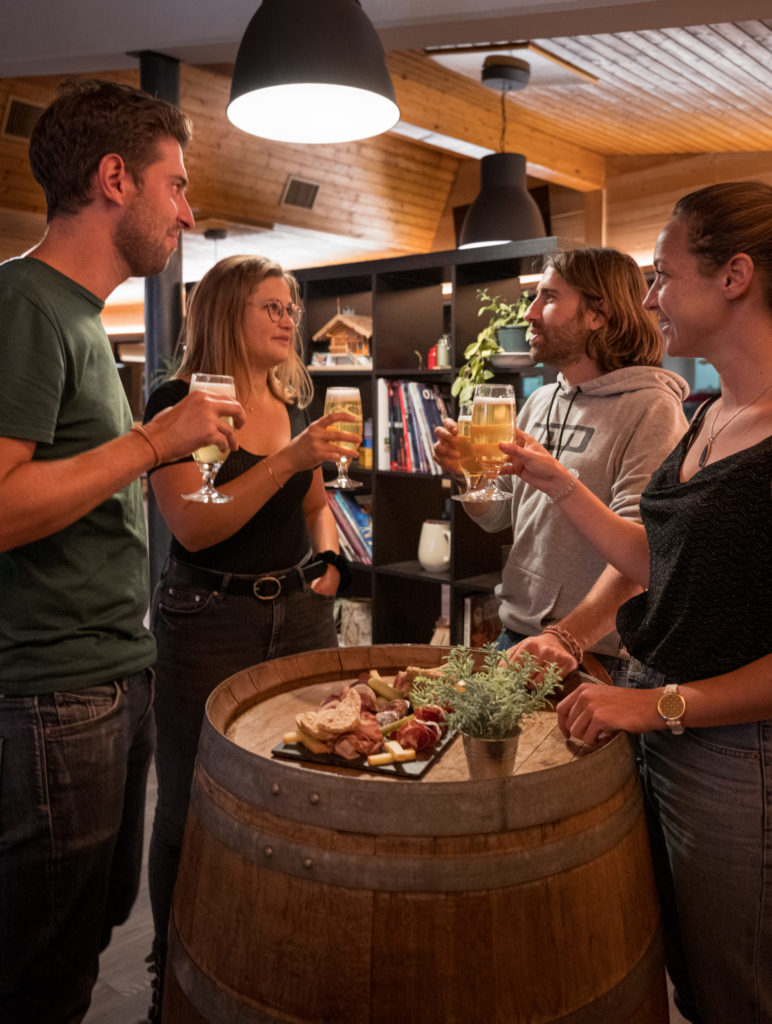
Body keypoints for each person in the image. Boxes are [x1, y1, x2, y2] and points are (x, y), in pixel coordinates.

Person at [0, 80, 246, 1024]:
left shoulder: (77, 317)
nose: (186, 211)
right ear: (115, 179)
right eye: (174, 185)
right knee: (43, 974)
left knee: (84, 934)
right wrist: (154, 442)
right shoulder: (25, 304)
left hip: (104, 678)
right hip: (52, 694)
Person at [502, 182, 772, 1023]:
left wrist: (656, 705)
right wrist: (556, 482)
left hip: (736, 754)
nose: (649, 299)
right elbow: (657, 559)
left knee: (737, 991)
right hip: (660, 725)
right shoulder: (711, 414)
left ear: (734, 276)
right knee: (685, 971)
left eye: (662, 276)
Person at [142, 253, 357, 1012]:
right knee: (190, 802)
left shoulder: (287, 400)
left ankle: (270, 958)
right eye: (271, 306)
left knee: (297, 791)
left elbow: (315, 505)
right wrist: (288, 459)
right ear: (225, 313)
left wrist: (330, 556)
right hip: (208, 619)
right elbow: (194, 528)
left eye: (291, 306)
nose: (288, 318)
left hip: (300, 615)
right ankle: (171, 974)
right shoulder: (179, 401)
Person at [434, 247, 688, 681]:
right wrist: (468, 474)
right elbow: (496, 516)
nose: (529, 313)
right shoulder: (539, 401)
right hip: (516, 636)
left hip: (593, 655)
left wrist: (568, 638)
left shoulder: (652, 410)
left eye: (548, 298)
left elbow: (641, 557)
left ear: (597, 313)